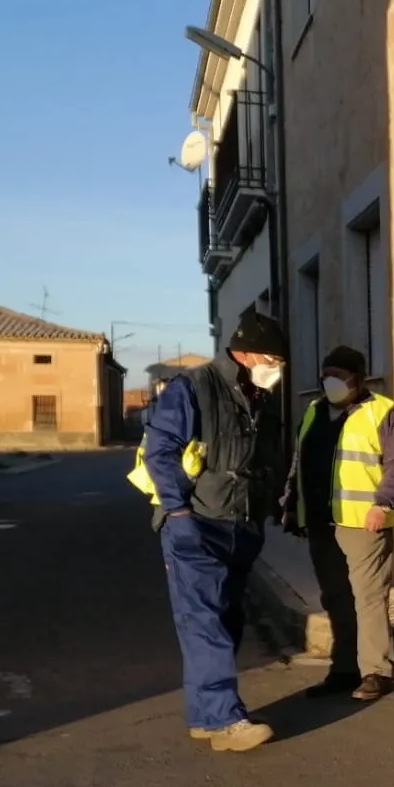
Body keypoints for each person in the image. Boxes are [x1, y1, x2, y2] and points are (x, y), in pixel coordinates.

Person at [138, 310, 289, 753]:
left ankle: (207, 714)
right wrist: (178, 514)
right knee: (204, 622)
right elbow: (159, 452)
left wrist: (271, 506)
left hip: (240, 524)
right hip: (197, 522)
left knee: (224, 619)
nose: (276, 369)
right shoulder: (194, 387)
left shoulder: (257, 396)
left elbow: (266, 458)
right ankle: (224, 719)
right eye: (272, 359)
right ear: (244, 352)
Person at [282, 346, 394, 702]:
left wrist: (382, 504)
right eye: (327, 375)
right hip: (321, 522)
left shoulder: (382, 412)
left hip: (363, 523)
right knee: (336, 598)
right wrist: (291, 506)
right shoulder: (312, 413)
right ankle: (343, 670)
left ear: (358, 378)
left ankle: (377, 671)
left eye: (339, 376)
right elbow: (299, 462)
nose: (331, 383)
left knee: (368, 598)